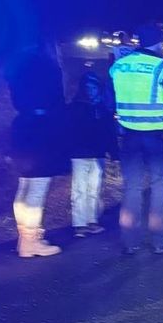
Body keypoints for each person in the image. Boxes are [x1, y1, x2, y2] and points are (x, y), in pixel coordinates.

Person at [109, 23, 163, 255]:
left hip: (129, 135)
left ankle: (129, 242)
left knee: (131, 187)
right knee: (159, 188)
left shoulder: (119, 66)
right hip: (158, 137)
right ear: (159, 42)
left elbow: (107, 102)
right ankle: (160, 240)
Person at [6, 43, 69, 258]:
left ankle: (25, 239)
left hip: (22, 126)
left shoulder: (18, 66)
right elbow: (58, 98)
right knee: (37, 187)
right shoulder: (48, 68)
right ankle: (30, 243)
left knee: (25, 185)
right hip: (42, 129)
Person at [67, 71, 117, 237]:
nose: (90, 91)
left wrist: (114, 153)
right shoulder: (76, 108)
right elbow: (69, 132)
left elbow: (110, 132)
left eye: (93, 87)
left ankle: (92, 220)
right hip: (80, 154)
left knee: (94, 189)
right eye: (88, 87)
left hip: (98, 154)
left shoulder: (102, 109)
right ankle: (79, 224)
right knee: (79, 189)